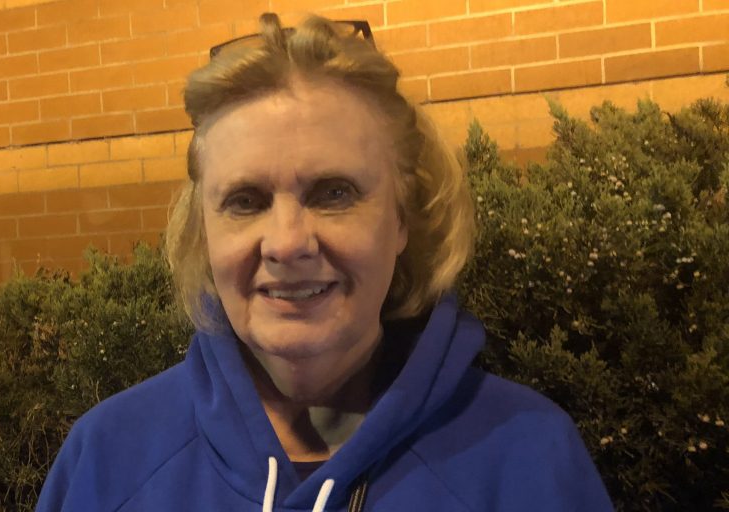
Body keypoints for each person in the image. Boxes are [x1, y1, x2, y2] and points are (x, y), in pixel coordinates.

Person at [36, 13, 613, 512]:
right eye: (245, 201)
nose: (287, 243)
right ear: (204, 231)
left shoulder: (529, 457)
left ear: (403, 219)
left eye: (334, 193)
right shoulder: (107, 459)